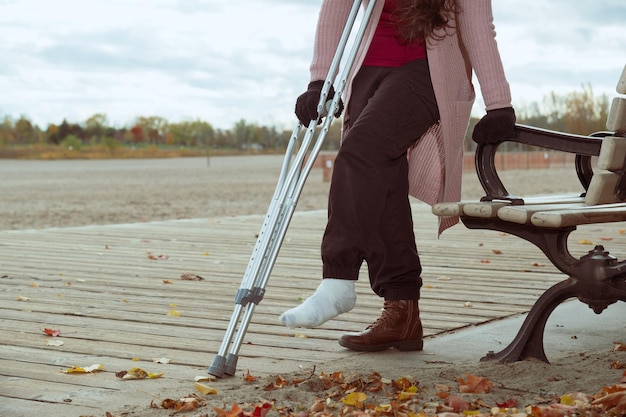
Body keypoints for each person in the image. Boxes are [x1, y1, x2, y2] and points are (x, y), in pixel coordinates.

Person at [279, 0, 516, 352]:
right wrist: (320, 80)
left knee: (360, 153)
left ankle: (338, 279)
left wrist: (499, 103)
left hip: (426, 73)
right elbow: (334, 11)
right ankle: (402, 310)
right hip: (365, 74)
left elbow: (479, 27)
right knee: (378, 181)